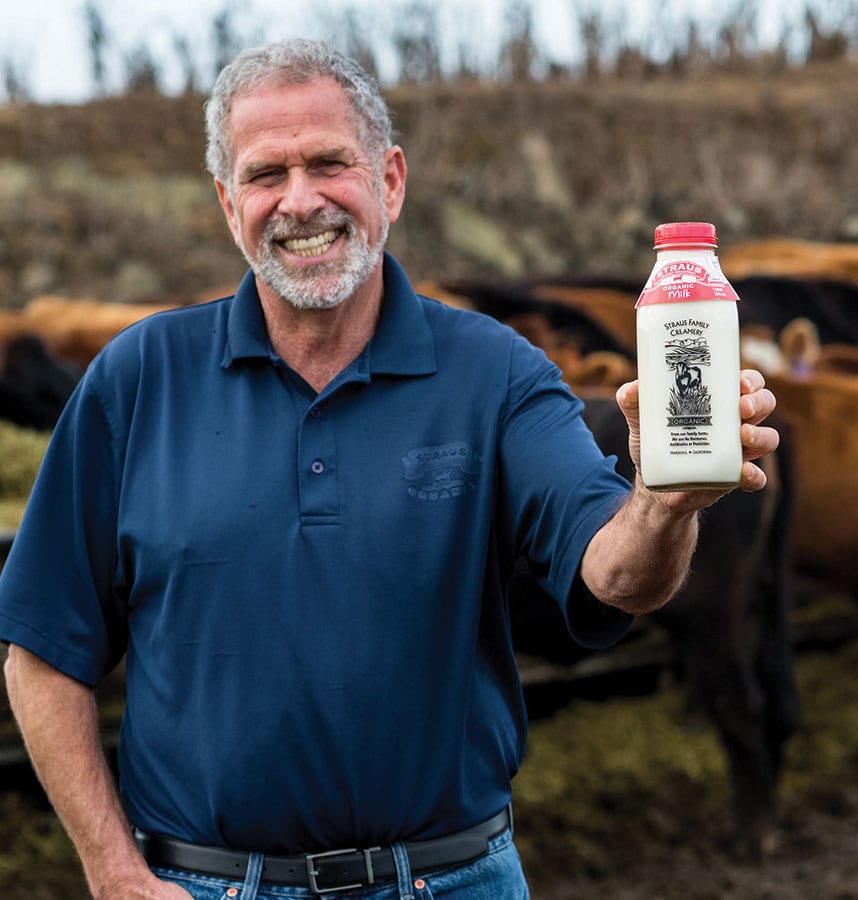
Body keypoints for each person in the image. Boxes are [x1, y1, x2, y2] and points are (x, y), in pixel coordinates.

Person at [0, 39, 778, 900]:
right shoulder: (136, 380)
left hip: (449, 880)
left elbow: (617, 572)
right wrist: (112, 872)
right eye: (265, 176)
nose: (300, 202)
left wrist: (665, 506)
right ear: (229, 204)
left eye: (330, 163)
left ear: (391, 181)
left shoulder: (494, 372)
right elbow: (41, 646)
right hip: (207, 886)